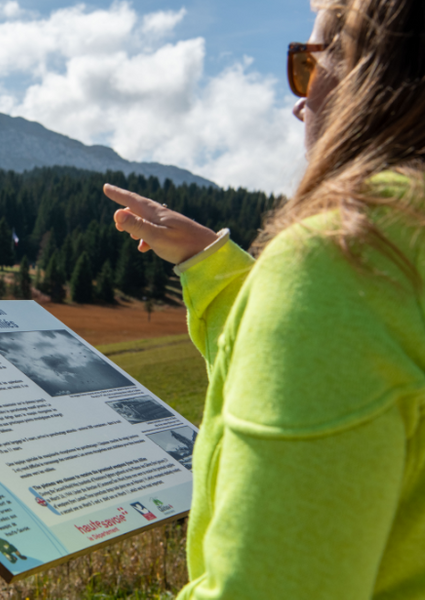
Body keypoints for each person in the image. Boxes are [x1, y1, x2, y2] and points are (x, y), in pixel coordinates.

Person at [105, 1, 424, 598]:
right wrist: (211, 264)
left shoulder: (348, 257)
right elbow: (334, 360)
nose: (300, 102)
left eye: (308, 65)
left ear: (374, 71)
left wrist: (304, 270)